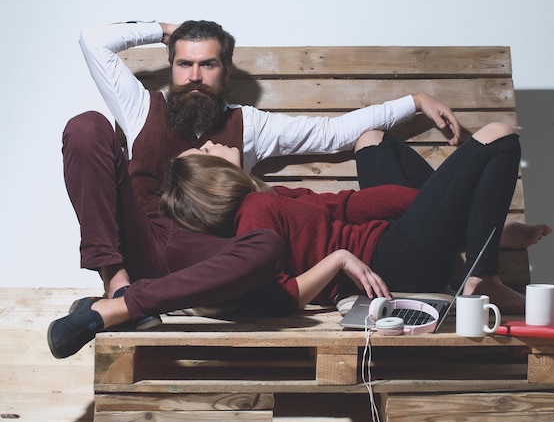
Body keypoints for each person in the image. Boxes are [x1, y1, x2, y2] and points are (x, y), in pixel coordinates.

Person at [47, 20, 463, 359]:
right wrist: (163, 29)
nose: (194, 76)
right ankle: (117, 291)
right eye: (184, 64)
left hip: (205, 259)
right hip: (142, 240)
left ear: (226, 72)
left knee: (266, 248)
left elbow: (334, 132)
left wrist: (414, 100)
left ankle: (124, 306)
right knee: (86, 126)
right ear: (171, 66)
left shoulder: (249, 127)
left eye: (207, 64)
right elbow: (93, 40)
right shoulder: (141, 107)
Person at [160, 125, 552, 315]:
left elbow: (345, 206)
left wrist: (444, 213)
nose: (209, 143)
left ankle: (480, 235)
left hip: (391, 241)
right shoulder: (255, 214)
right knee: (499, 137)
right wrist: (339, 259)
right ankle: (483, 279)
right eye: (202, 151)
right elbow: (281, 293)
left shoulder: (267, 195)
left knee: (373, 141)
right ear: (212, 178)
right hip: (394, 263)